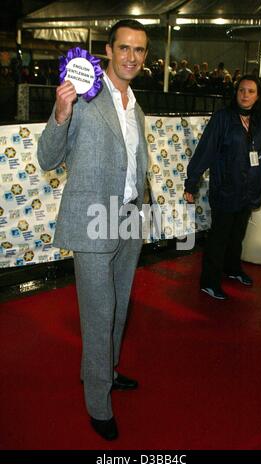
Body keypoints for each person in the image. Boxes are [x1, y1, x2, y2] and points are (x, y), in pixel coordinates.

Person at [37, 19, 149, 440]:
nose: (132, 57)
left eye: (139, 50)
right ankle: (98, 400)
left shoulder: (135, 105)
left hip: (128, 220)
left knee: (120, 306)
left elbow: (133, 164)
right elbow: (48, 158)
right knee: (99, 313)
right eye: (124, 48)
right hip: (91, 222)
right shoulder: (84, 97)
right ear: (108, 49)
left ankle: (108, 369)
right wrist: (61, 113)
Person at [184, 75, 261, 300]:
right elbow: (205, 150)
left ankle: (232, 269)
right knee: (219, 238)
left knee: (237, 235)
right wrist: (192, 181)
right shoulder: (223, 118)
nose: (245, 95)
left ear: (258, 96)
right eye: (241, 91)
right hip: (226, 190)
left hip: (250, 191)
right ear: (235, 93)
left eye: (251, 91)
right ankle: (209, 282)